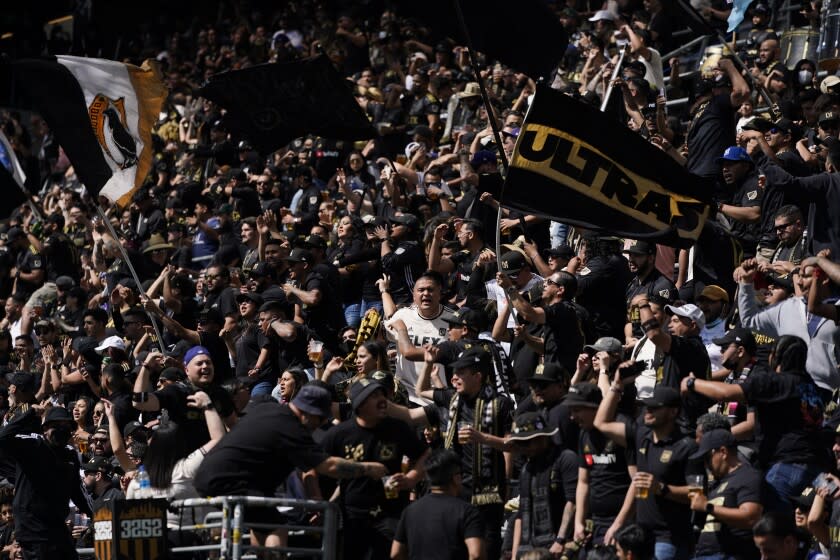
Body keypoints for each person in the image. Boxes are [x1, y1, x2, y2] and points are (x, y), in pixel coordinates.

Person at [193, 385, 387, 550]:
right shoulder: (291, 428)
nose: (320, 424)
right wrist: (367, 468)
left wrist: (315, 498)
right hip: (228, 481)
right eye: (319, 419)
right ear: (308, 413)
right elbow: (327, 466)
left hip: (209, 477)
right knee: (277, 527)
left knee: (262, 522)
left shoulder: (269, 410)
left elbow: (307, 467)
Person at [682, 335, 824, 514]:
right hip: (816, 469)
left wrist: (692, 383)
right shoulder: (812, 386)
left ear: (776, 357)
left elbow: (728, 393)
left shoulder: (775, 381)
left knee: (771, 527)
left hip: (785, 466)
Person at [415, 346, 514, 560]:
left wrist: (482, 438)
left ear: (477, 376)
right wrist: (428, 362)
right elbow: (420, 390)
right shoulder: (452, 398)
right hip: (457, 488)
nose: (454, 378)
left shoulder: (501, 404)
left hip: (488, 491)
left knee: (486, 547)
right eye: (454, 372)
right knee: (455, 546)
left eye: (460, 373)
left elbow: (511, 445)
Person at [320, 379, 429, 559]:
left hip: (391, 513)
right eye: (373, 396)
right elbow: (318, 465)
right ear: (359, 404)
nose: (382, 400)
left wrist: (411, 478)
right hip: (352, 516)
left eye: (382, 394)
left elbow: (425, 455)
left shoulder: (398, 429)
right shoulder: (340, 433)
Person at [595, 380, 702, 560]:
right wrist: (617, 383)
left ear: (673, 412)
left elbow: (698, 494)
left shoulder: (686, 447)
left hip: (669, 540)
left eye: (654, 408)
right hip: (641, 537)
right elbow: (601, 423)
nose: (647, 411)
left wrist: (662, 488)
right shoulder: (642, 436)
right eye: (646, 407)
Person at [0, 406, 92, 559]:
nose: (62, 430)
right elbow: (3, 438)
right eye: (57, 426)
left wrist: (97, 514)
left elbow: (77, 491)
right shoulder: (32, 445)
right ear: (45, 429)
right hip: (33, 529)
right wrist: (28, 414)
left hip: (57, 527)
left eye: (66, 427)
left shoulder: (70, 455)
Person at [567, 382, 633, 548]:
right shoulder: (584, 433)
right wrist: (579, 523)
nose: (572, 417)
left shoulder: (621, 430)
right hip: (595, 522)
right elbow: (583, 482)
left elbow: (637, 481)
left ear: (594, 407)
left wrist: (618, 524)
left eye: (577, 410)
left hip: (624, 523)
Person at [391, 449, 485, 560]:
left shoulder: (410, 511)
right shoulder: (467, 511)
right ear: (456, 478)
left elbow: (396, 553)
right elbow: (476, 554)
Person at [509, 412, 578, 558]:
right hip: (530, 550)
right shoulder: (526, 469)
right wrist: (516, 555)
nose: (522, 448)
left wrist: (560, 540)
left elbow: (573, 502)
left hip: (559, 546)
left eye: (526, 442)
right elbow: (521, 515)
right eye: (519, 443)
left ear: (542, 438)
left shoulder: (565, 459)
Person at [688, 429, 764, 559]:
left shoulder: (748, 476)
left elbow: (751, 517)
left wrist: (707, 506)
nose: (706, 465)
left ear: (723, 452)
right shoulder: (717, 484)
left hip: (730, 554)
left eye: (707, 458)